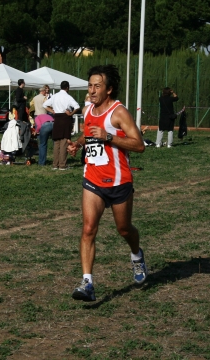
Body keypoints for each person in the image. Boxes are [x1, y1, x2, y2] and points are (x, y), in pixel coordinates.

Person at [66, 64, 147, 302]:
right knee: (88, 229)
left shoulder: (119, 113)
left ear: (109, 89)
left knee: (124, 229)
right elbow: (90, 132)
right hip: (92, 178)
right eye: (90, 85)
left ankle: (136, 255)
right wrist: (78, 144)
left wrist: (109, 137)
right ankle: (87, 282)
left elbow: (139, 145)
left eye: (97, 86)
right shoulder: (88, 108)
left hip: (119, 181)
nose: (91, 90)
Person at [43, 80, 80, 170]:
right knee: (64, 142)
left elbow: (45, 105)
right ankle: (62, 165)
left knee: (57, 142)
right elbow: (77, 106)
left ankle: (55, 164)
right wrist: (71, 114)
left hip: (57, 119)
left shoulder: (55, 96)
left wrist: (52, 111)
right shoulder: (68, 97)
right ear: (67, 88)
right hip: (65, 119)